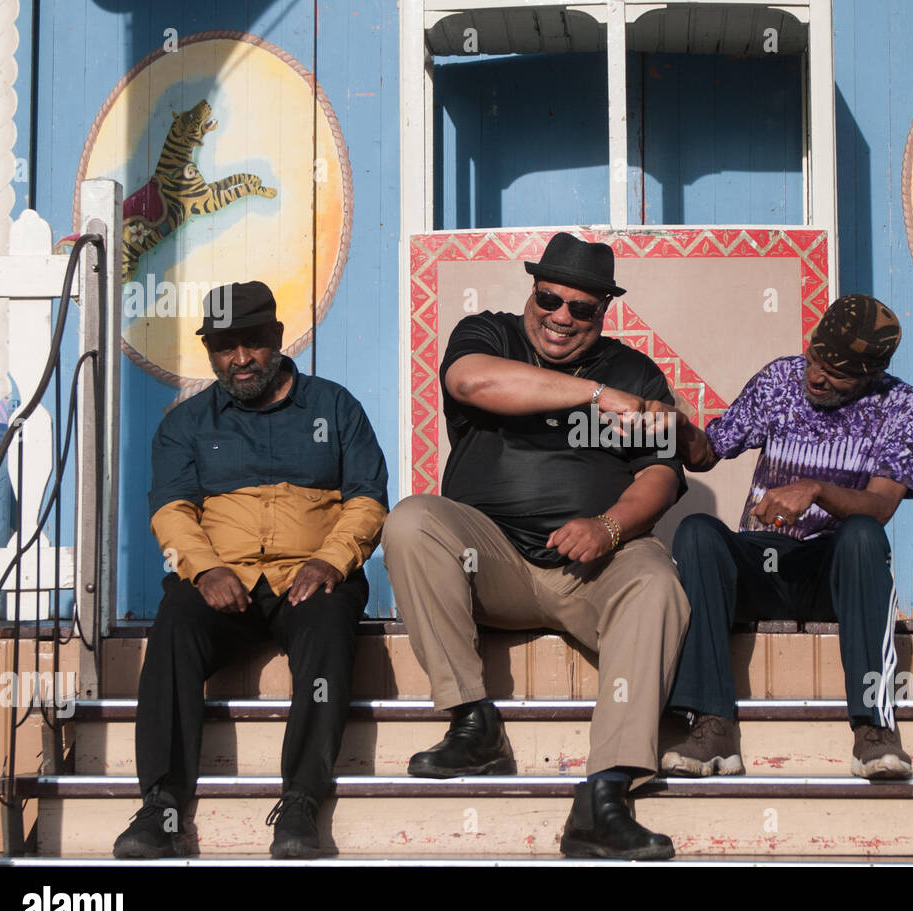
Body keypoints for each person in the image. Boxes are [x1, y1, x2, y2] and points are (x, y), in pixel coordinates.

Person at [381, 233, 690, 861]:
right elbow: (472, 382)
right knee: (411, 521)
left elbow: (662, 473)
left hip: (596, 569)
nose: (562, 317)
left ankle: (605, 794)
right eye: (551, 299)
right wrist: (595, 396)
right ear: (533, 291)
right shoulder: (488, 334)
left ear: (603, 312)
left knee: (657, 577)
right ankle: (473, 724)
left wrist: (608, 526)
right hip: (493, 562)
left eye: (582, 308)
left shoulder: (635, 370)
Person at [112, 281, 389, 860]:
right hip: (222, 583)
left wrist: (330, 559)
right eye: (223, 347)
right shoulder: (185, 422)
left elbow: (367, 497)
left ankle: (301, 803)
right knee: (175, 626)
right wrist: (206, 569)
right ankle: (161, 806)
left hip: (310, 579)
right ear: (210, 352)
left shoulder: (334, 407)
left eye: (252, 343)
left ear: (277, 338)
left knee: (328, 628)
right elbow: (172, 509)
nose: (239, 359)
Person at [653, 293, 913, 780]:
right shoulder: (780, 381)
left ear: (871, 374)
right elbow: (706, 453)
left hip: (833, 575)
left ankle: (874, 730)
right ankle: (713, 725)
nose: (817, 376)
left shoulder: (905, 408)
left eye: (836, 372)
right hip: (762, 569)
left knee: (863, 535)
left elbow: (882, 506)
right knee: (698, 533)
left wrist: (818, 491)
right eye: (815, 358)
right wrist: (677, 427)